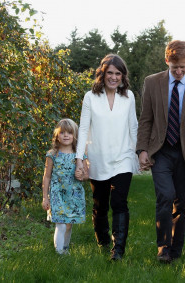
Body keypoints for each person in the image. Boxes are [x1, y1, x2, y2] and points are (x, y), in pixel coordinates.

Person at [136, 40, 185, 263]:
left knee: (181, 202)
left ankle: (176, 250)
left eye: (183, 68)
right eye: (173, 68)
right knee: (165, 197)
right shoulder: (152, 83)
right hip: (161, 151)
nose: (178, 72)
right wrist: (142, 149)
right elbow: (146, 119)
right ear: (166, 61)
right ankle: (163, 248)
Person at [75, 54, 138, 261]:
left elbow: (133, 126)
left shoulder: (128, 96)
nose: (113, 77)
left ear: (123, 76)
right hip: (97, 157)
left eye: (117, 73)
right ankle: (102, 240)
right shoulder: (90, 97)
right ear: (102, 74)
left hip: (123, 157)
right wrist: (79, 158)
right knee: (100, 204)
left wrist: (137, 153)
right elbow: (83, 129)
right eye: (109, 73)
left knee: (119, 202)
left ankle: (118, 250)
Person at [42, 118, 88, 255]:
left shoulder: (79, 155)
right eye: (62, 133)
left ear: (74, 135)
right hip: (57, 194)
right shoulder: (52, 154)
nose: (66, 135)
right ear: (57, 135)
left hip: (74, 194)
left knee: (68, 224)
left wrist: (81, 174)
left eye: (69, 133)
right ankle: (59, 253)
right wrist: (45, 197)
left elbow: (87, 174)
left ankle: (65, 249)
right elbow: (47, 176)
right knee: (60, 224)